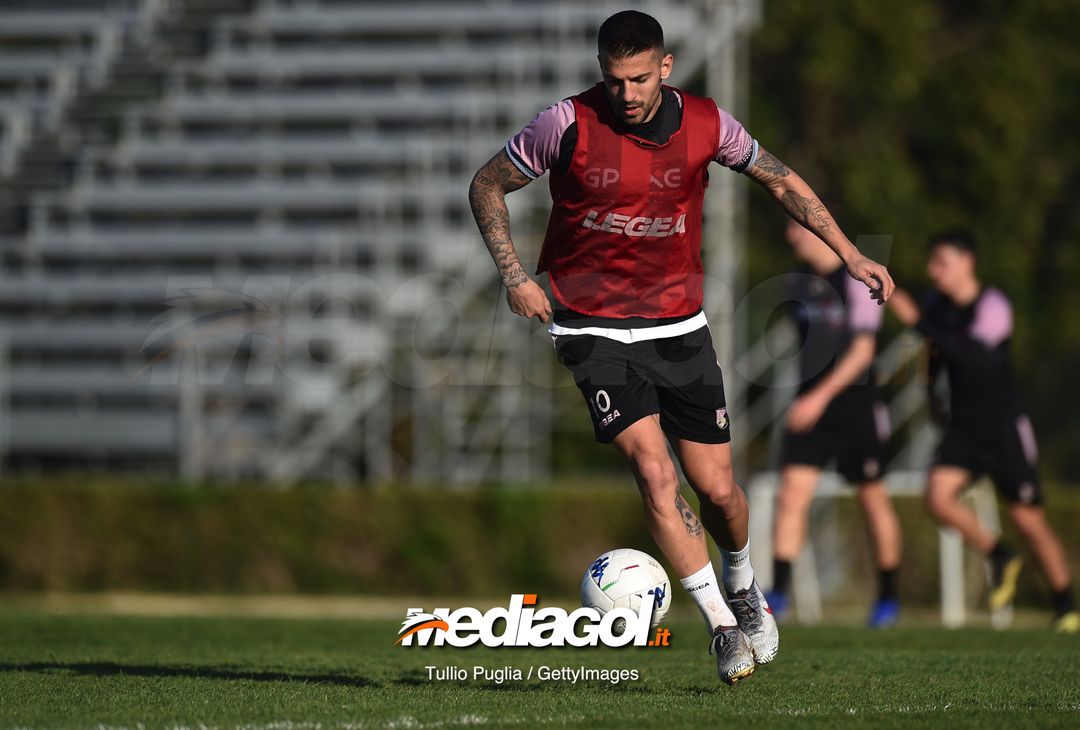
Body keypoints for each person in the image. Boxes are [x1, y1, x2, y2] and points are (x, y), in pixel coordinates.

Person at [468, 10, 894, 684]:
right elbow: (486, 182)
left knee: (719, 491)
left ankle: (743, 585)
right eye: (615, 80)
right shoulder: (566, 123)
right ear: (601, 71)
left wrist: (849, 254)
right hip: (591, 328)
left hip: (677, 327)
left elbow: (780, 179)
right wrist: (515, 276)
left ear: (665, 67)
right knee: (655, 473)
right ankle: (722, 626)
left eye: (640, 78)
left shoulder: (708, 124)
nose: (627, 93)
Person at [888, 231, 1077, 632]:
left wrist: (918, 322)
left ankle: (1066, 605)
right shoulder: (936, 305)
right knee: (937, 497)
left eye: (941, 262)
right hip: (964, 427)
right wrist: (931, 396)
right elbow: (933, 357)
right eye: (932, 262)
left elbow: (972, 357)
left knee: (1028, 520)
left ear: (967, 262)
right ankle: (1000, 554)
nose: (933, 271)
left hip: (1003, 427)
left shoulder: (993, 306)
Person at [766, 220, 903, 628]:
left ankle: (888, 597)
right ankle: (777, 596)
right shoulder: (798, 282)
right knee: (791, 496)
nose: (790, 236)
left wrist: (819, 397)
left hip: (853, 407)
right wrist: (809, 397)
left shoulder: (857, 278)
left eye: (796, 227)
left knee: (872, 499)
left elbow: (863, 351)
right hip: (809, 406)